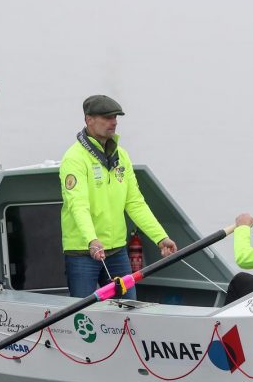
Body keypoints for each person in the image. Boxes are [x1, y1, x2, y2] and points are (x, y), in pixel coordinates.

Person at [59, 95, 177, 299]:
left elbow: (135, 203)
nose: (113, 122)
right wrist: (92, 240)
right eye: (107, 117)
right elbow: (78, 206)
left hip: (116, 252)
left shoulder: (121, 156)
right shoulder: (74, 158)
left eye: (115, 117)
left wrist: (160, 238)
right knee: (83, 314)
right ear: (89, 119)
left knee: (130, 309)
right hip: (83, 252)